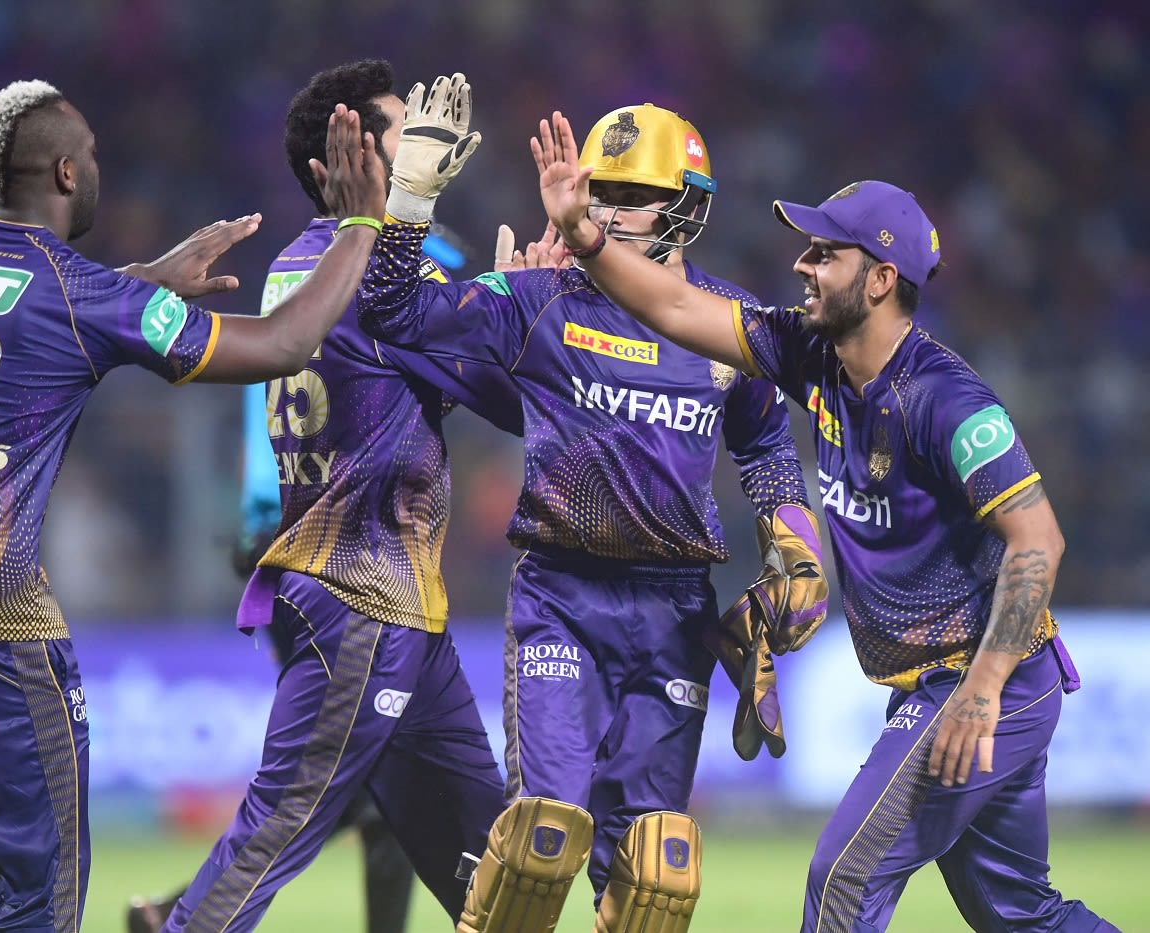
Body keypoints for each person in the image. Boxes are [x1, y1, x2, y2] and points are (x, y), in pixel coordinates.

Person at [534, 110, 1120, 933]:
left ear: (880, 278)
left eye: (823, 253)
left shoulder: (945, 401)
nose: (802, 265)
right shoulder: (811, 355)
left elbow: (1039, 537)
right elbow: (672, 305)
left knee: (841, 879)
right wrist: (585, 239)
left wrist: (981, 694)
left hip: (984, 683)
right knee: (1022, 915)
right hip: (946, 685)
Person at [0, 78, 388, 933]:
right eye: (89, 158)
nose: (98, 170)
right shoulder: (79, 295)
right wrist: (362, 223)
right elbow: (287, 342)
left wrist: (140, 289)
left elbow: (35, 311)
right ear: (62, 170)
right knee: (44, 884)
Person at [357, 96, 829, 933]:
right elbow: (391, 314)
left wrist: (792, 542)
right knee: (538, 843)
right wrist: (409, 203)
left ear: (686, 206)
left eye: (628, 192)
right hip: (561, 600)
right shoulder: (539, 298)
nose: (602, 206)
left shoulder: (730, 326)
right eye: (596, 187)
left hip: (677, 612)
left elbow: (765, 449)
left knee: (652, 876)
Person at [156, 63, 522, 933]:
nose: (422, 158)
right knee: (270, 834)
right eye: (404, 140)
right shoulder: (381, 277)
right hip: (361, 604)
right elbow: (511, 399)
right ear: (336, 167)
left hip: (398, 612)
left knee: (502, 877)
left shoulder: (300, 264)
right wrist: (518, 301)